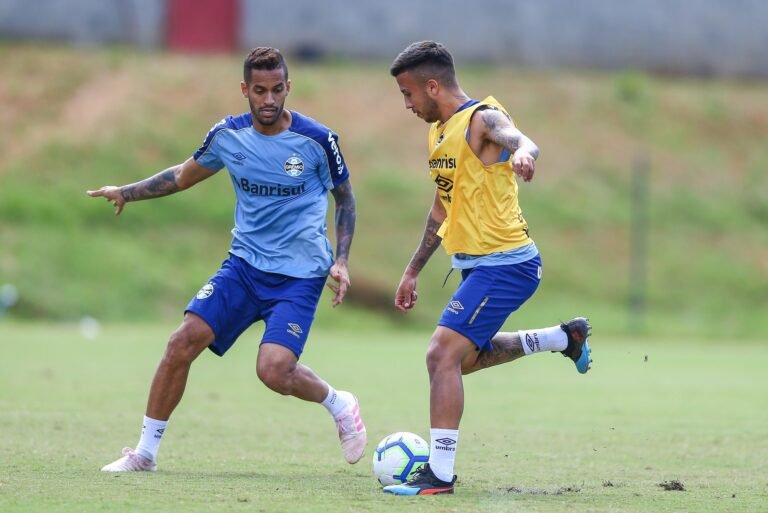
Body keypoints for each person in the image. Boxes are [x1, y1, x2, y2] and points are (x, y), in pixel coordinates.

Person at [88, 47, 366, 472]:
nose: (269, 99)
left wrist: (342, 261)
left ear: (288, 87)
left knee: (273, 371)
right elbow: (182, 175)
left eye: (277, 90)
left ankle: (338, 403)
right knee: (182, 341)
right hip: (243, 268)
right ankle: (145, 453)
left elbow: (344, 200)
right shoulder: (228, 136)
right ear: (245, 90)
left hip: (299, 275)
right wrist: (126, 191)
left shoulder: (317, 140)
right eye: (259, 90)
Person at [384, 41, 592, 495]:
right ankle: (562, 338)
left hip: (508, 265)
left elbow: (519, 137)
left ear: (433, 86)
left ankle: (438, 476)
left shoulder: (481, 119)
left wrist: (522, 154)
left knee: (441, 355)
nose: (407, 105)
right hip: (476, 268)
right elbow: (442, 209)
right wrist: (413, 269)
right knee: (465, 359)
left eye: (408, 94)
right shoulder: (438, 135)